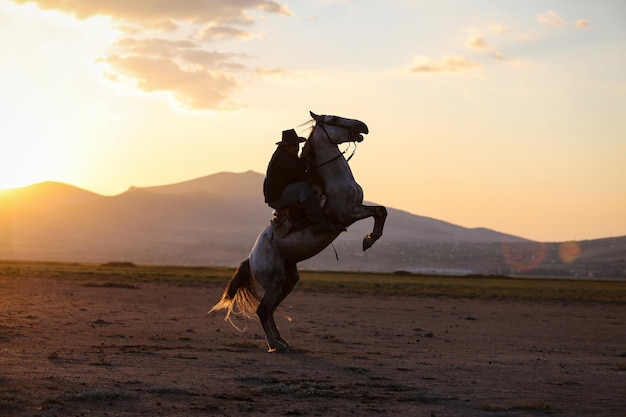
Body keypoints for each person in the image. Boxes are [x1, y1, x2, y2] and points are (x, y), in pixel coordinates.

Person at [263, 129, 337, 233]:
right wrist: (304, 156)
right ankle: (319, 224)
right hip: (276, 197)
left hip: (282, 191)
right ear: (286, 146)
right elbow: (298, 173)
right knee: (302, 188)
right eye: (293, 145)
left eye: (296, 145)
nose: (296, 148)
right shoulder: (282, 157)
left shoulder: (287, 155)